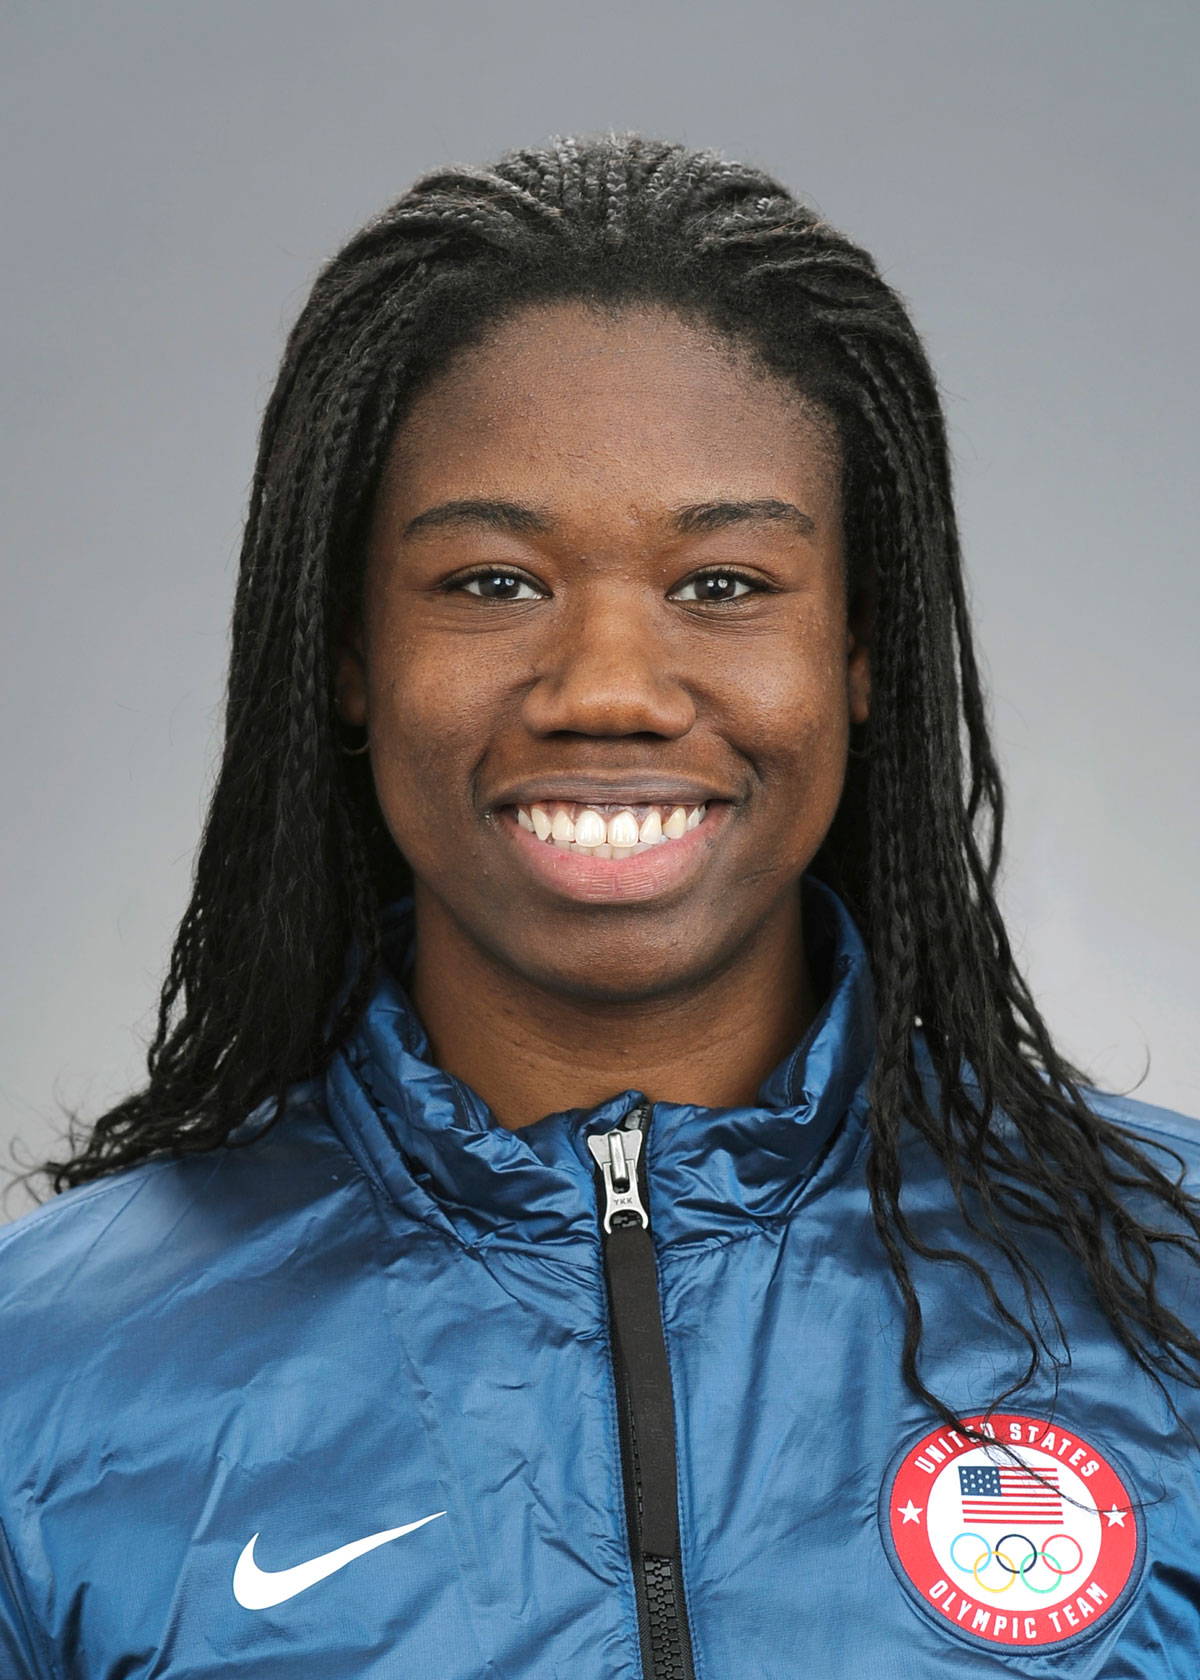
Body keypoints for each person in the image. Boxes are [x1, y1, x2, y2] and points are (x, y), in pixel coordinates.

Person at [2, 134, 1198, 1680]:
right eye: (495, 582)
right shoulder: (49, 1380)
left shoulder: (1166, 1289)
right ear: (348, 650)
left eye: (724, 584)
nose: (613, 690)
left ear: (860, 651)